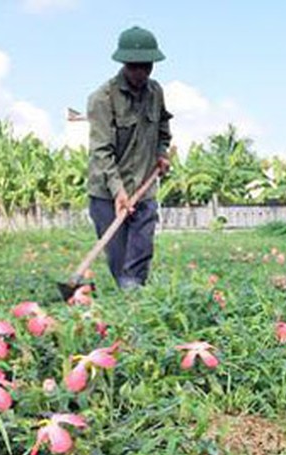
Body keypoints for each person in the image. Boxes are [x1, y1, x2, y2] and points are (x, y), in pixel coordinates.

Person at [86, 26, 172, 290]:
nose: (141, 73)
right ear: (124, 64)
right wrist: (118, 191)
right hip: (106, 192)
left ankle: (135, 298)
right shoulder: (102, 98)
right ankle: (128, 300)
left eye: (147, 66)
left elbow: (162, 129)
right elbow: (101, 151)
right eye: (135, 67)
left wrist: (161, 153)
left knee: (141, 251)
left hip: (143, 188)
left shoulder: (155, 92)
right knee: (120, 256)